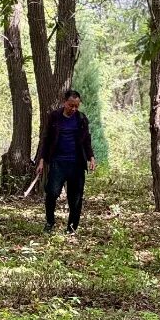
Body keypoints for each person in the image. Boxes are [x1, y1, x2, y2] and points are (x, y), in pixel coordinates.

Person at [36, 90, 96, 234]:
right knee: (52, 193)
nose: (73, 109)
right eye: (71, 105)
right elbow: (46, 139)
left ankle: (71, 228)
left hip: (76, 164)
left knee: (75, 198)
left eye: (76, 106)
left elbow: (87, 140)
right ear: (64, 102)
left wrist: (91, 157)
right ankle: (50, 222)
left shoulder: (81, 119)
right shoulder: (54, 117)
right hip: (58, 163)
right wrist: (41, 160)